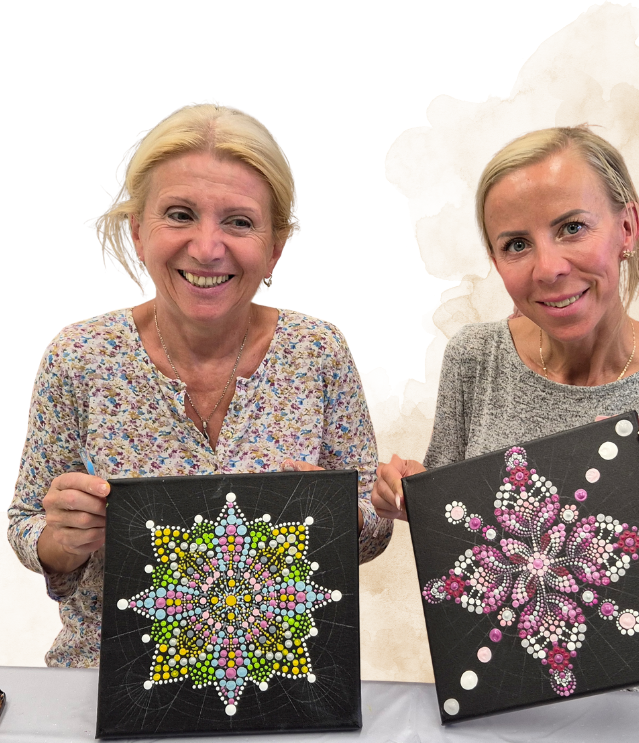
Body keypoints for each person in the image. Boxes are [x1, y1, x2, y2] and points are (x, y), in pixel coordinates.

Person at [8, 104, 392, 667]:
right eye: (180, 215)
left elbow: (373, 526)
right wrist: (60, 541)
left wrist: (341, 514)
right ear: (138, 232)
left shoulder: (318, 351)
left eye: (239, 222)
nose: (207, 248)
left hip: (279, 680)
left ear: (274, 248)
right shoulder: (79, 357)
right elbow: (26, 523)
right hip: (105, 682)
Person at [373, 126, 639, 695]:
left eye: (572, 228)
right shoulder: (475, 358)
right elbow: (467, 560)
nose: (547, 268)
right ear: (496, 260)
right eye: (516, 245)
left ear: (627, 228)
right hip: (512, 695)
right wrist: (414, 500)